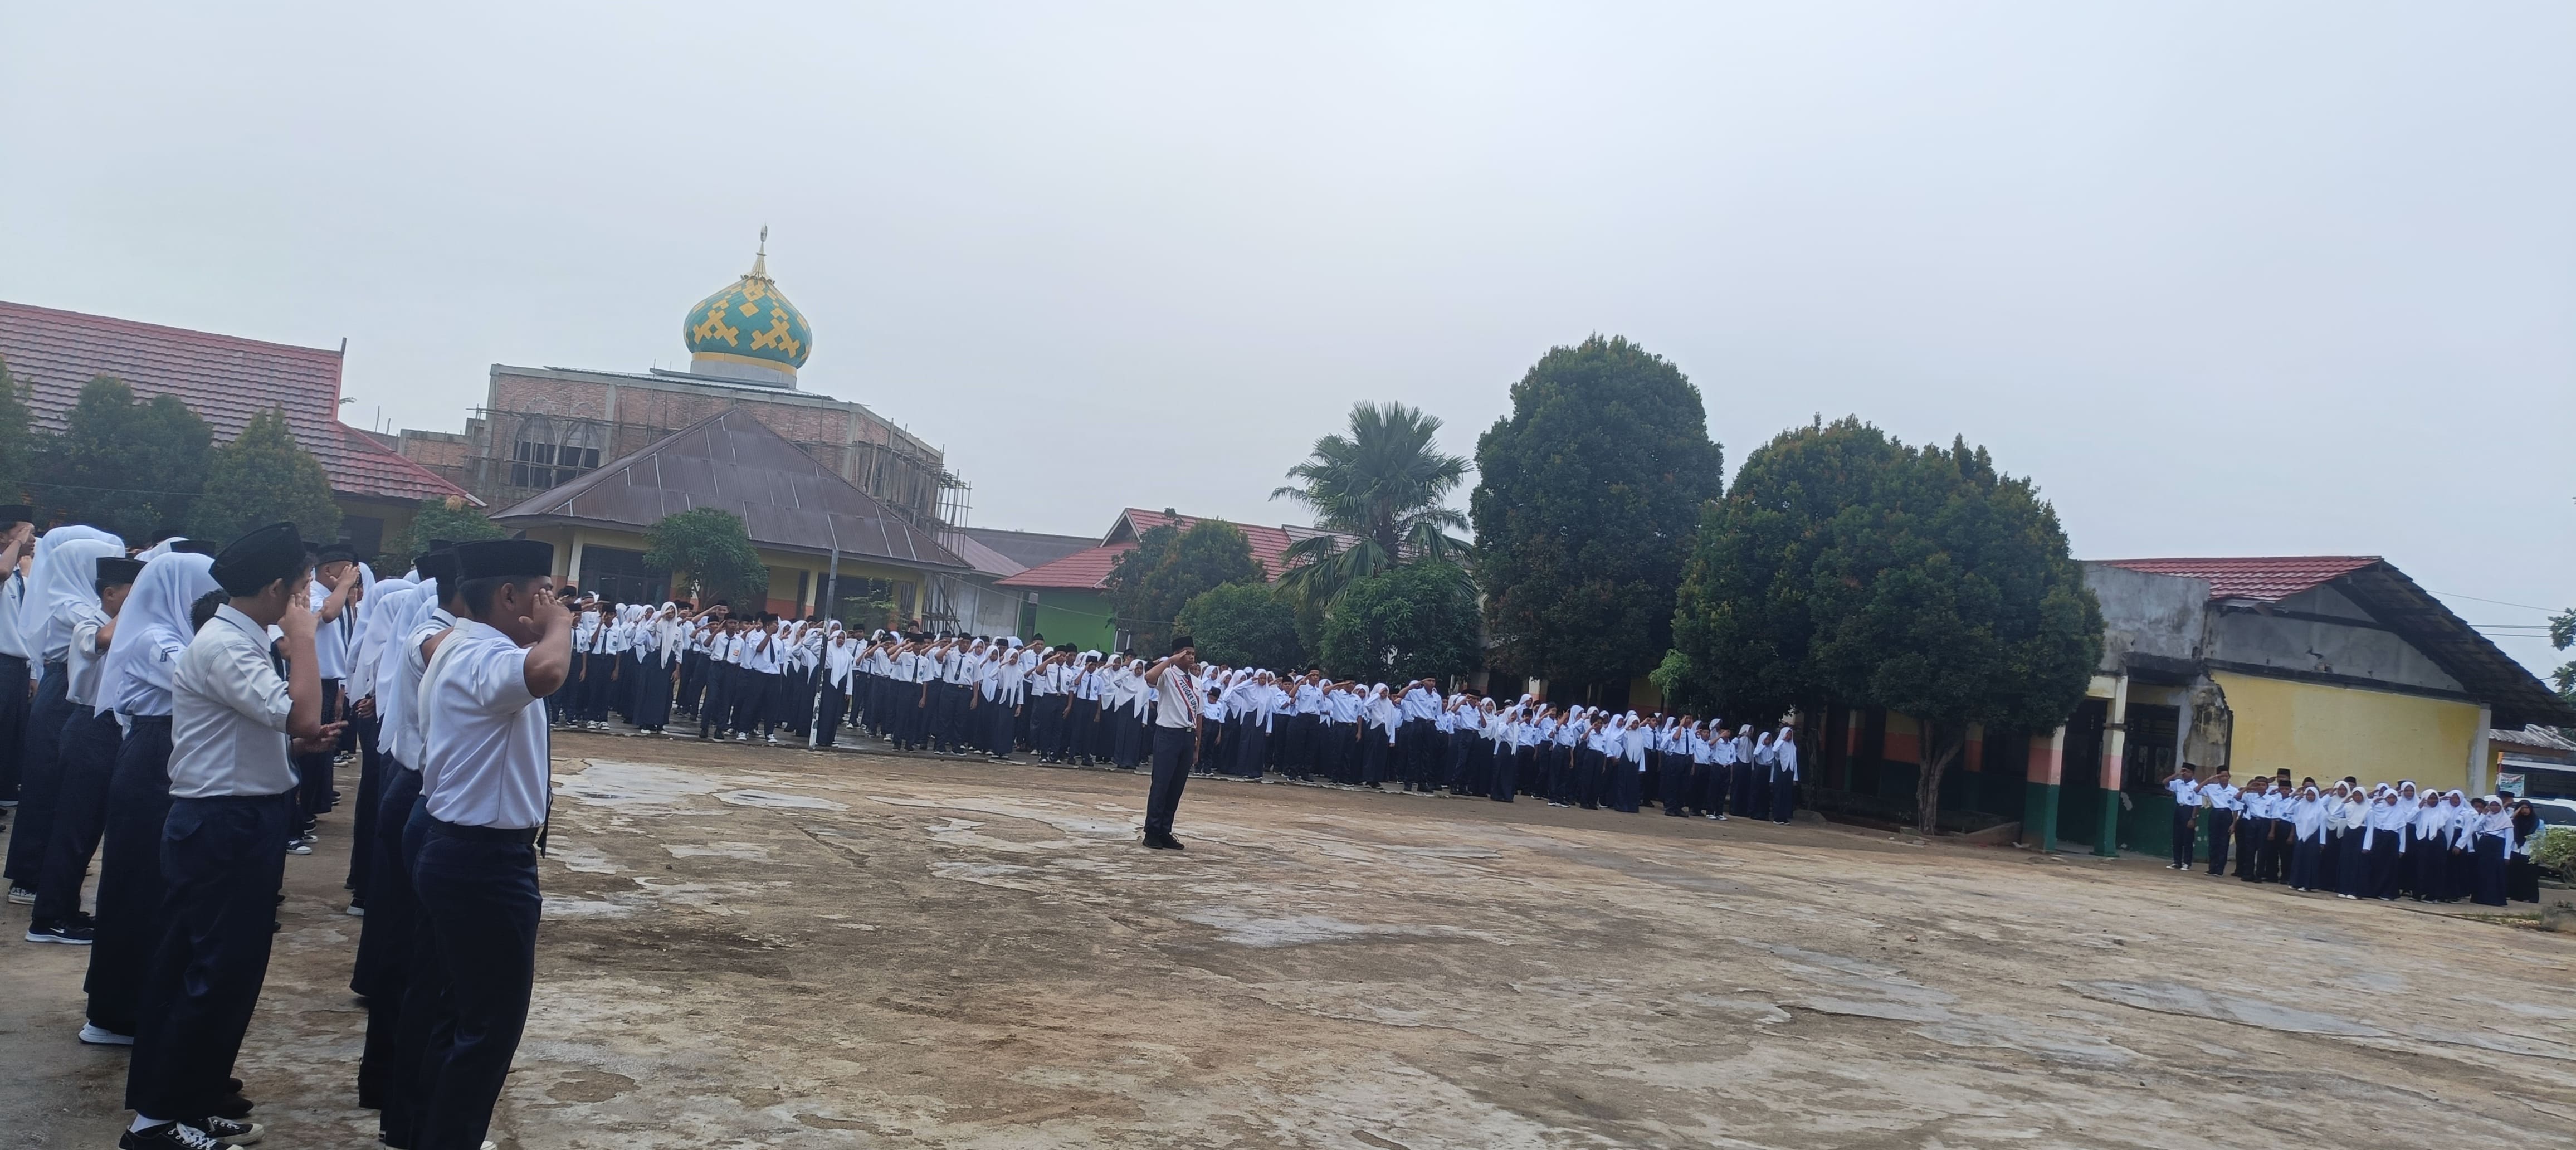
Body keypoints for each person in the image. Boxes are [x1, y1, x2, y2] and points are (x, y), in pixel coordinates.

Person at [121, 522, 335, 1150]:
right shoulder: (227, 646)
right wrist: (303, 644)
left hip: (239, 818)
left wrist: (295, 737)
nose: (309, 603)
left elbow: (274, 723)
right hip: (223, 824)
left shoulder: (237, 641)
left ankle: (191, 1101)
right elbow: (300, 709)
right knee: (208, 972)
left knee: (225, 972)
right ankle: (156, 1122)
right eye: (302, 592)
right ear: (275, 591)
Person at [408, 538, 572, 1150]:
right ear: (508, 596)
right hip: (483, 862)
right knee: (489, 1028)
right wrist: (559, 626)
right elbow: (549, 672)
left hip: (462, 851)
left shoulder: (466, 647)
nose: (551, 603)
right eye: (541, 592)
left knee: (461, 1014)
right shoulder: (481, 653)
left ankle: (434, 1131)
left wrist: (543, 625)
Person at [81, 551, 221, 1046]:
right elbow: (200, 682)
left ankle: (146, 1001)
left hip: (171, 752)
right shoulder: (152, 639)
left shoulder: (178, 637)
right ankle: (116, 1012)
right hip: (153, 757)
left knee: (163, 889)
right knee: (136, 886)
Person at [26, 552, 143, 943]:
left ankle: (66, 908)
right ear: (109, 594)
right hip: (89, 726)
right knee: (73, 828)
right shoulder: (88, 622)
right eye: (132, 594)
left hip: (112, 729)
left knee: (89, 829)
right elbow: (100, 641)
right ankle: (48, 918)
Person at [1138, 634, 1204, 850]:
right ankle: (1152, 831)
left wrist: (1197, 745)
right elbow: (1149, 677)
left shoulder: (1196, 682)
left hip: (1187, 736)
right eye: (1187, 653)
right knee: (1161, 785)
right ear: (1178, 654)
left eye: (1193, 653)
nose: (1192, 657)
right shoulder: (1168, 675)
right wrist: (1170, 660)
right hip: (1168, 734)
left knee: (1176, 787)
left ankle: (1166, 830)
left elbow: (1199, 715)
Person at [0, 508, 36, 810]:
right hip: (1, 663)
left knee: (12, 734)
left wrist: (33, 672)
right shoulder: (5, 570)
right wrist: (16, 542)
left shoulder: (18, 576)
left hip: (17, 667)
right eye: (26, 532)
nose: (31, 539)